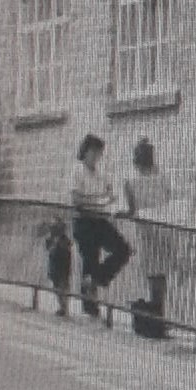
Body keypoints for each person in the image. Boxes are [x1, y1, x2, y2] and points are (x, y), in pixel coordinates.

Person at [69, 133, 130, 316]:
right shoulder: (77, 170)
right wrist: (99, 200)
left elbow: (111, 195)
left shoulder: (101, 173)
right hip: (84, 221)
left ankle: (96, 280)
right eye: (94, 152)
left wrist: (107, 201)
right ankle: (90, 307)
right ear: (86, 151)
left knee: (123, 249)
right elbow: (76, 199)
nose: (97, 156)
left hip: (100, 219)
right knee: (90, 260)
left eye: (99, 153)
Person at [122, 138, 175, 336]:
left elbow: (132, 209)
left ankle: (154, 319)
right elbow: (167, 198)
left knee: (150, 275)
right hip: (163, 228)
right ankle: (159, 314)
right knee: (161, 276)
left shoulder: (130, 182)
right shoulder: (162, 178)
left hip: (145, 230)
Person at [43, 219, 73, 317]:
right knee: (58, 287)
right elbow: (48, 247)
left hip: (61, 267)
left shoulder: (63, 240)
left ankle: (64, 308)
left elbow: (65, 251)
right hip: (57, 267)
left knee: (61, 287)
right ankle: (63, 307)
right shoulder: (53, 239)